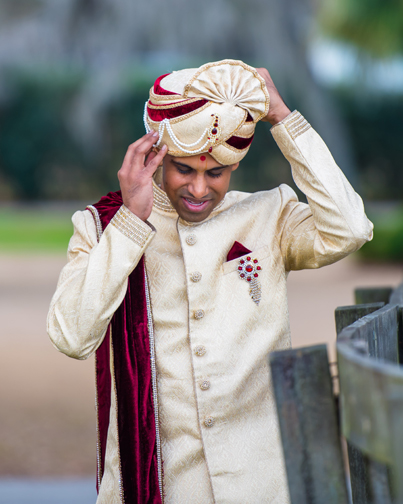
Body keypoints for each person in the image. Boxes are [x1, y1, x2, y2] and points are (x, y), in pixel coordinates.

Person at [47, 59, 373, 504]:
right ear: (155, 155)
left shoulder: (269, 216)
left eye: (214, 173)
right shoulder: (103, 229)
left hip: (263, 487)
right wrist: (130, 222)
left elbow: (350, 228)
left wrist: (283, 119)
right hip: (159, 487)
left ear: (233, 168)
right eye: (185, 169)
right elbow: (71, 335)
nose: (199, 190)